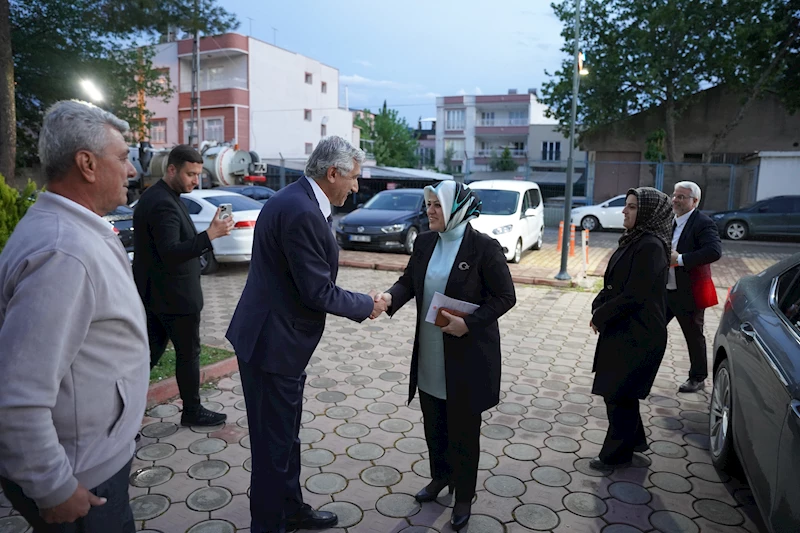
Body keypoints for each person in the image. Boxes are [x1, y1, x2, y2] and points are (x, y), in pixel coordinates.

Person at [0, 100, 150, 532]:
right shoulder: (65, 253)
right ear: (87, 164)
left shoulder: (73, 230)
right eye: (122, 158)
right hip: (80, 478)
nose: (132, 171)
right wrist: (53, 488)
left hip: (90, 461)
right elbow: (18, 394)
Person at [225, 136, 387, 533]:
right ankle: (270, 524)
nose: (355, 187)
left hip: (277, 342)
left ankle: (291, 510)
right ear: (332, 173)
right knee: (272, 449)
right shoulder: (301, 210)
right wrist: (368, 305)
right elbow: (317, 291)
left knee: (285, 439)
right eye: (352, 178)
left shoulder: (295, 199)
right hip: (272, 346)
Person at [373, 181, 516, 531]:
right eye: (429, 205)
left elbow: (505, 296)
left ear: (457, 208)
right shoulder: (425, 242)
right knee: (433, 423)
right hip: (430, 354)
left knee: (464, 431)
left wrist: (470, 324)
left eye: (437, 205)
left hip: (466, 358)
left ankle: (464, 495)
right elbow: (408, 281)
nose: (430, 211)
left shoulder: (484, 247)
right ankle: (441, 478)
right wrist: (390, 298)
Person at [133, 145, 234, 426]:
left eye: (198, 174)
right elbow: (170, 251)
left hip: (160, 296)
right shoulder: (163, 202)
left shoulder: (164, 196)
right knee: (187, 354)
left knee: (147, 358)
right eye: (190, 174)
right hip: (174, 299)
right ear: (171, 169)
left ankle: (124, 417)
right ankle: (192, 411)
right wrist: (210, 235)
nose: (195, 180)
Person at [589, 187, 673, 472]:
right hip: (624, 328)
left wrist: (601, 315)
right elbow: (614, 284)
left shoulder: (651, 245)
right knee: (619, 391)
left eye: (633, 207)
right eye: (626, 205)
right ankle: (634, 441)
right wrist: (598, 304)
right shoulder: (634, 240)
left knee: (617, 393)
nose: (625, 210)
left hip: (638, 333)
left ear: (648, 213)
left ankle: (616, 455)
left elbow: (635, 294)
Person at [666, 181, 722, 393]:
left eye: (682, 197)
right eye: (675, 195)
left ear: (695, 201)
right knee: (650, 329)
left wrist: (680, 259)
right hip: (666, 288)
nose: (676, 200)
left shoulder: (703, 223)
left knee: (693, 335)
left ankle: (697, 378)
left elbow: (714, 252)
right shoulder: (672, 219)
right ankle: (639, 370)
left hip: (689, 292)